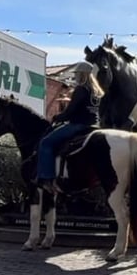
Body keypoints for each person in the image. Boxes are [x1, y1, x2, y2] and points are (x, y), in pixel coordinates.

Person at [36, 60, 104, 194]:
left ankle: (47, 179)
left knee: (46, 143)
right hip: (94, 126)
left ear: (83, 75)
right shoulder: (97, 92)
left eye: (77, 74)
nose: (76, 77)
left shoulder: (81, 89)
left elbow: (71, 111)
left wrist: (57, 117)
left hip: (78, 125)